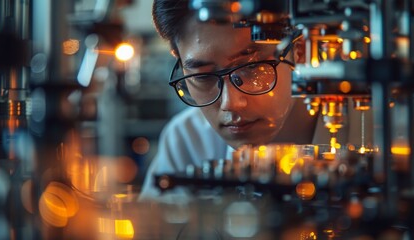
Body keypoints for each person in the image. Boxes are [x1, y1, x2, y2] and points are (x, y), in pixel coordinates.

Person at [138, 0, 352, 202]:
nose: (231, 103)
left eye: (252, 68)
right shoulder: (188, 142)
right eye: (202, 76)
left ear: (301, 50)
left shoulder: (375, 128)